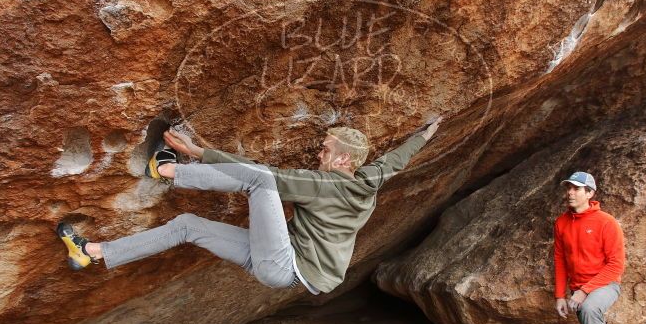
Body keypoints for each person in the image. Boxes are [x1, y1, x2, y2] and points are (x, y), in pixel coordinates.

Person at [57, 118, 442, 295]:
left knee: (261, 181)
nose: (319, 152)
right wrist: (425, 133)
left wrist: (199, 153)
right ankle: (91, 252)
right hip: (277, 263)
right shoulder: (370, 179)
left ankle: (167, 170)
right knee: (187, 225)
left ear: (343, 160)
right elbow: (396, 159)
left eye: (326, 150)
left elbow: (261, 173)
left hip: (285, 265)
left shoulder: (323, 184)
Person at [553, 171, 633, 324]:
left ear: (590, 193)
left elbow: (616, 265)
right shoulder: (562, 222)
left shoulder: (606, 222)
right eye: (568, 187)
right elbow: (560, 260)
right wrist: (560, 295)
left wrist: (584, 291)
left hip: (605, 284)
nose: (570, 192)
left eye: (576, 188)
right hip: (579, 290)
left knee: (589, 310)